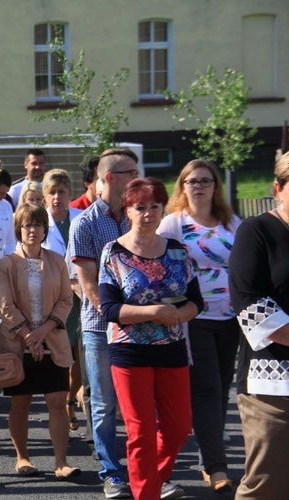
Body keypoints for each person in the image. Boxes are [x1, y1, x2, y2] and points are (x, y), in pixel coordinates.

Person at [99, 177, 203, 500]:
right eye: (140, 207)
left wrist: (177, 315)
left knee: (178, 427)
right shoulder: (113, 253)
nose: (148, 214)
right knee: (140, 432)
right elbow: (110, 309)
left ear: (162, 210)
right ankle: (147, 493)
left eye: (154, 207)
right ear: (127, 210)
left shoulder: (177, 252)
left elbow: (196, 302)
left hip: (171, 350)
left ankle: (147, 481)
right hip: (129, 352)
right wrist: (155, 312)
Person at [157, 159, 241, 494]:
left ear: (215, 186)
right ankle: (218, 466)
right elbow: (154, 259)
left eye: (206, 181)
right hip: (194, 317)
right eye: (192, 181)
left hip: (232, 317)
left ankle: (209, 459)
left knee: (222, 389)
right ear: (183, 185)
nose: (199, 187)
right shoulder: (174, 224)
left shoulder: (230, 222)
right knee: (206, 389)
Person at [68, 147, 139, 499]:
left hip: (140, 327)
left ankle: (143, 472)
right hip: (100, 328)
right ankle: (112, 473)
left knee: (139, 403)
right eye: (131, 173)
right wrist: (119, 317)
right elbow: (88, 285)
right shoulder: (84, 223)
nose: (136, 179)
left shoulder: (136, 217)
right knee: (103, 403)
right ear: (110, 177)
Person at [0, 203, 80, 481]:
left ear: (45, 229)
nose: (33, 230)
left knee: (57, 402)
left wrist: (43, 331)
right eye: (27, 225)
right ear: (19, 229)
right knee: (20, 403)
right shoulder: (6, 264)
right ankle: (22, 458)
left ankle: (61, 463)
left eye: (38, 225)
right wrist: (27, 335)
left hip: (52, 340)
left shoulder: (57, 260)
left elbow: (66, 300)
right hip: (19, 345)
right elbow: (5, 306)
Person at [228, 152, 289, 500]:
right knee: (267, 488)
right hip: (273, 390)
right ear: (277, 189)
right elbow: (254, 312)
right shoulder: (256, 232)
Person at [41, 169, 84, 432]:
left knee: (80, 352)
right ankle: (59, 404)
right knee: (60, 351)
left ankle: (70, 398)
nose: (57, 197)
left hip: (81, 294)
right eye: (52, 192)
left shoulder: (80, 219)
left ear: (70, 194)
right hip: (54, 295)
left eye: (62, 192)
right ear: (45, 196)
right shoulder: (38, 221)